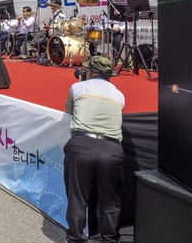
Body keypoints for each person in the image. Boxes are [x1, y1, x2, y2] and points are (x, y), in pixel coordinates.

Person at [64, 56, 125, 243]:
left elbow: (69, 109)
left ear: (89, 72)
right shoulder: (120, 95)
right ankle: (110, 238)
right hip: (112, 149)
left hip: (82, 145)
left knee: (77, 197)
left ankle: (75, 238)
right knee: (110, 199)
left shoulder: (77, 88)